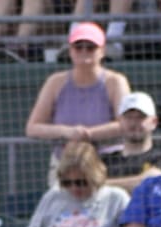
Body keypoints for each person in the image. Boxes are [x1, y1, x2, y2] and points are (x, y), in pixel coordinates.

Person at [23, 22, 130, 158]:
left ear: (102, 51)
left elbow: (126, 124)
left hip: (109, 159)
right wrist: (67, 132)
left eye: (90, 47)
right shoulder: (55, 82)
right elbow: (32, 127)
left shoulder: (116, 81)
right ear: (70, 51)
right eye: (78, 47)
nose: (84, 51)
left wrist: (89, 134)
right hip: (65, 161)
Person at [24, 142, 129, 227]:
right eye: (67, 183)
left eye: (81, 182)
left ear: (95, 177)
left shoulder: (116, 198)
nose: (74, 188)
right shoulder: (54, 195)